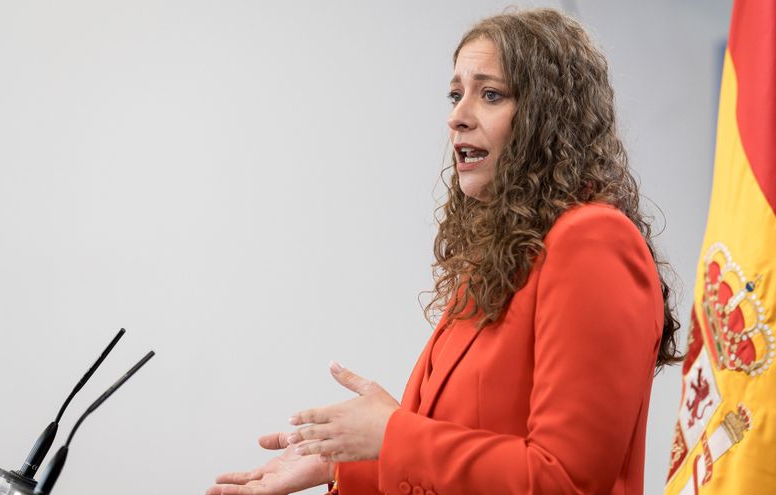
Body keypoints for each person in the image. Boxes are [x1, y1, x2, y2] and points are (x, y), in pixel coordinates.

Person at [206, 8, 680, 495]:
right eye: (456, 95)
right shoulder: (502, 259)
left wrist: (390, 435)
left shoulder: (593, 240)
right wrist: (344, 462)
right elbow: (458, 453)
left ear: (548, 118)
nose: (457, 116)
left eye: (490, 94)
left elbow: (564, 481)